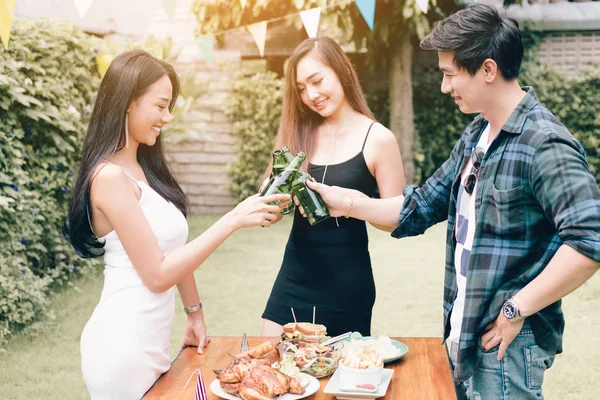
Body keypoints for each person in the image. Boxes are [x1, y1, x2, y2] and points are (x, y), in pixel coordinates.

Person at [305, 4, 600, 399]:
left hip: (508, 344)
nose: (444, 86)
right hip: (464, 333)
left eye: (449, 74)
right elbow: (420, 206)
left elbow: (589, 240)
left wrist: (517, 308)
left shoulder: (544, 143)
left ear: (489, 70)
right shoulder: (478, 133)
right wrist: (350, 202)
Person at [64, 50, 290, 399]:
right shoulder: (108, 178)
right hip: (119, 347)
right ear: (127, 102)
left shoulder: (145, 169)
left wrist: (194, 313)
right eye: (160, 105)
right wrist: (231, 220)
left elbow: (173, 249)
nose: (167, 117)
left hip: (150, 344)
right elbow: (157, 275)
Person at [260, 36, 405, 338]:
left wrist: (353, 204)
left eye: (316, 81)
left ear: (341, 70)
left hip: (347, 286)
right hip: (294, 278)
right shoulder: (299, 131)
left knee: (338, 381)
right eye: (301, 88)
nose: (310, 95)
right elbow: (272, 198)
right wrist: (271, 201)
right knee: (275, 370)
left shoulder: (378, 139)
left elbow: (395, 218)